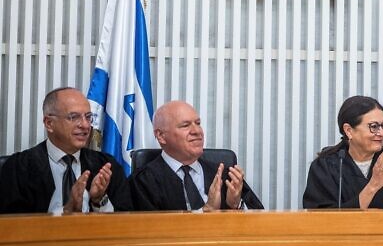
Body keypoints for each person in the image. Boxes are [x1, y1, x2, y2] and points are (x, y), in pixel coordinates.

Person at [0, 87, 131, 214]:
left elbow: (127, 223)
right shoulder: (18, 168)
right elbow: (12, 227)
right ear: (49, 123)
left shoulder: (106, 166)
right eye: (74, 117)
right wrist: (65, 212)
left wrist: (99, 200)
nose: (85, 125)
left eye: (88, 117)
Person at [129, 100, 263, 211]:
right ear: (161, 136)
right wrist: (206, 211)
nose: (197, 131)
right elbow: (149, 233)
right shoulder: (143, 181)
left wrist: (234, 205)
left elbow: (260, 220)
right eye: (185, 125)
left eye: (198, 123)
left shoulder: (224, 175)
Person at [302, 96, 383, 209]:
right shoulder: (326, 167)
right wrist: (373, 186)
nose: (382, 133)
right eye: (374, 127)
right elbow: (319, 219)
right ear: (348, 130)